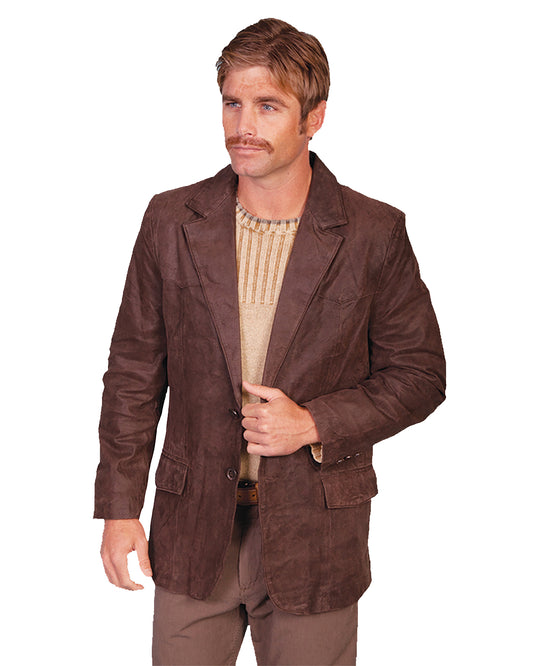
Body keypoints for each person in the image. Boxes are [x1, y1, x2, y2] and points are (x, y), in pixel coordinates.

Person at [94, 17, 446, 666]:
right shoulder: (171, 220)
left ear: (314, 118)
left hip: (316, 535)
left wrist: (313, 422)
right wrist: (119, 509)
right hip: (192, 528)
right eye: (232, 103)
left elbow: (420, 375)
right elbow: (133, 373)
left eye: (267, 106)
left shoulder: (373, 232)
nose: (243, 125)